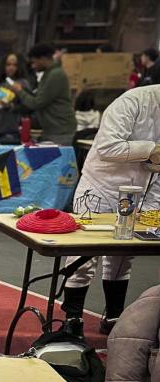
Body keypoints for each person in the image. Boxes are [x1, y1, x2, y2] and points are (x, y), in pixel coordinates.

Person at [60, 84, 160, 335]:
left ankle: (113, 315)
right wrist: (150, 149)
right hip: (100, 186)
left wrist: (152, 207)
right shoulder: (132, 101)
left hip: (141, 190)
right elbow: (107, 147)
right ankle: (72, 317)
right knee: (82, 253)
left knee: (123, 255)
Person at [11, 43, 76, 145]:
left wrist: (19, 91)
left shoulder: (55, 75)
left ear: (43, 58)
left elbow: (37, 103)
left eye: (34, 62)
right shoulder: (48, 74)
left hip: (60, 131)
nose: (33, 66)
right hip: (52, 130)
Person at [0, 52, 29, 143]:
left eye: (15, 65)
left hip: (11, 129)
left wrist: (10, 106)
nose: (11, 67)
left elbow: (28, 106)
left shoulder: (22, 84)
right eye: (8, 64)